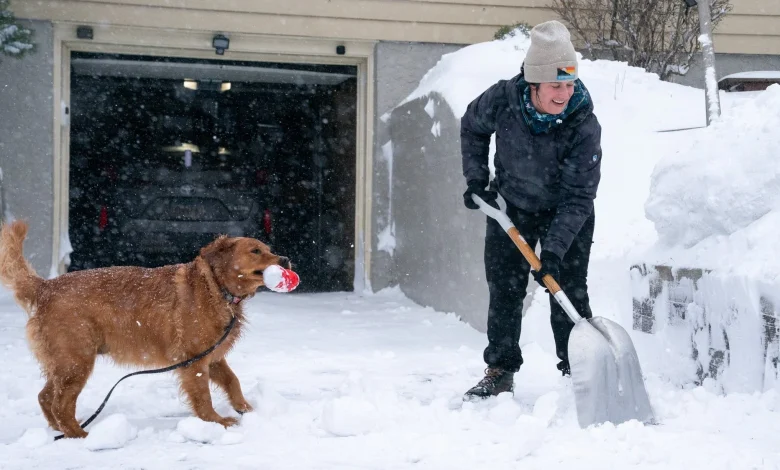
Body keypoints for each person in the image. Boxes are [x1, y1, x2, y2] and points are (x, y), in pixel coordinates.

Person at [460, 20, 602, 400]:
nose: (565, 94)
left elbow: (579, 196)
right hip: (511, 207)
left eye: (570, 84)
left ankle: (578, 373)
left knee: (568, 291)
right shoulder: (503, 100)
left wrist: (552, 251)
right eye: (556, 85)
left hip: (565, 211)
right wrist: (477, 180)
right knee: (505, 290)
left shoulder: (583, 123)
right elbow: (472, 127)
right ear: (534, 82)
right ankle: (501, 371)